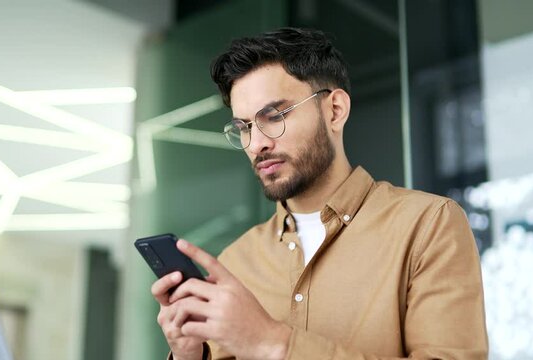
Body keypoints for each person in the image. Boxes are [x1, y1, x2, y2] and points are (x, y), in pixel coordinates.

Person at [150, 27, 488, 360]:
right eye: (244, 128)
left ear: (335, 110)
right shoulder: (235, 263)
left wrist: (275, 344)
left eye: (275, 116)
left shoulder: (428, 226)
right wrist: (189, 356)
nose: (256, 144)